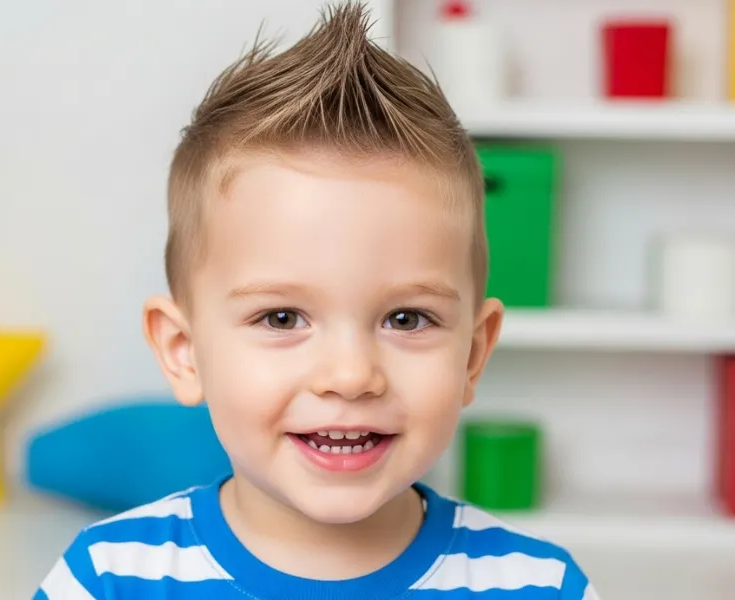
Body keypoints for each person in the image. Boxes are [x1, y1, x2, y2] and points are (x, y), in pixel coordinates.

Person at [34, 2, 600, 599]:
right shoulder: (109, 579)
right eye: (282, 317)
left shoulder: (539, 587)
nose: (351, 376)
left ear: (473, 354)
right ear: (184, 350)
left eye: (406, 318)